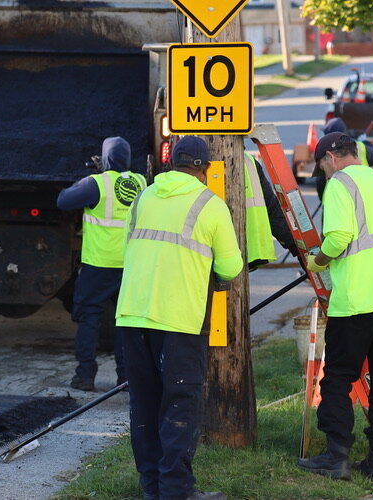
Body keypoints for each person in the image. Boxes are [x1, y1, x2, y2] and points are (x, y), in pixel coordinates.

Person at [116, 135, 242, 500]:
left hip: (133, 315)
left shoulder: (143, 197)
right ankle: (176, 490)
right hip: (180, 320)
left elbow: (130, 248)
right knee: (180, 403)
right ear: (203, 168)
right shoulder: (210, 204)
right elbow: (231, 267)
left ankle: (152, 488)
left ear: (170, 162)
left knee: (144, 403)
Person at [298, 132, 373, 487]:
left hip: (357, 298)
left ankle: (337, 455)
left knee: (338, 376)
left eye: (322, 165)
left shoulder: (340, 185)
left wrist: (318, 260)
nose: (324, 172)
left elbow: (340, 237)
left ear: (331, 156)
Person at [57, 136, 146, 392]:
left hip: (98, 266)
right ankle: (125, 378)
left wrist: (90, 177)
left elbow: (63, 201)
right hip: (130, 264)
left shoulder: (96, 183)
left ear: (105, 159)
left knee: (89, 318)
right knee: (125, 323)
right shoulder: (140, 181)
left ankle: (85, 376)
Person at [243, 151, 299, 269]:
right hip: (245, 252)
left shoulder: (248, 162)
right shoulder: (248, 161)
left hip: (234, 254)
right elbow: (272, 209)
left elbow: (271, 208)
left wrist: (297, 248)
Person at [314, 118, 373, 201]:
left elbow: (320, 181)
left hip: (334, 201)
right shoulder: (359, 146)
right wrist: (365, 142)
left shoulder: (325, 153)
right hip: (363, 196)